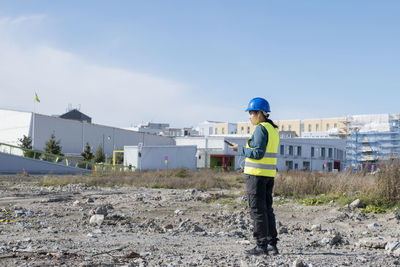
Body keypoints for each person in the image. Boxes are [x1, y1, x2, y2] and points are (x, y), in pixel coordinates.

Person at [228, 97, 280, 256]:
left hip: (256, 176)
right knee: (267, 210)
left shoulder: (260, 129)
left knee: (257, 210)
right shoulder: (272, 130)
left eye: (251, 113)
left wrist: (240, 149)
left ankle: (261, 246)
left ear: (260, 113)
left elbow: (257, 153)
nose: (249, 116)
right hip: (268, 175)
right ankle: (271, 244)